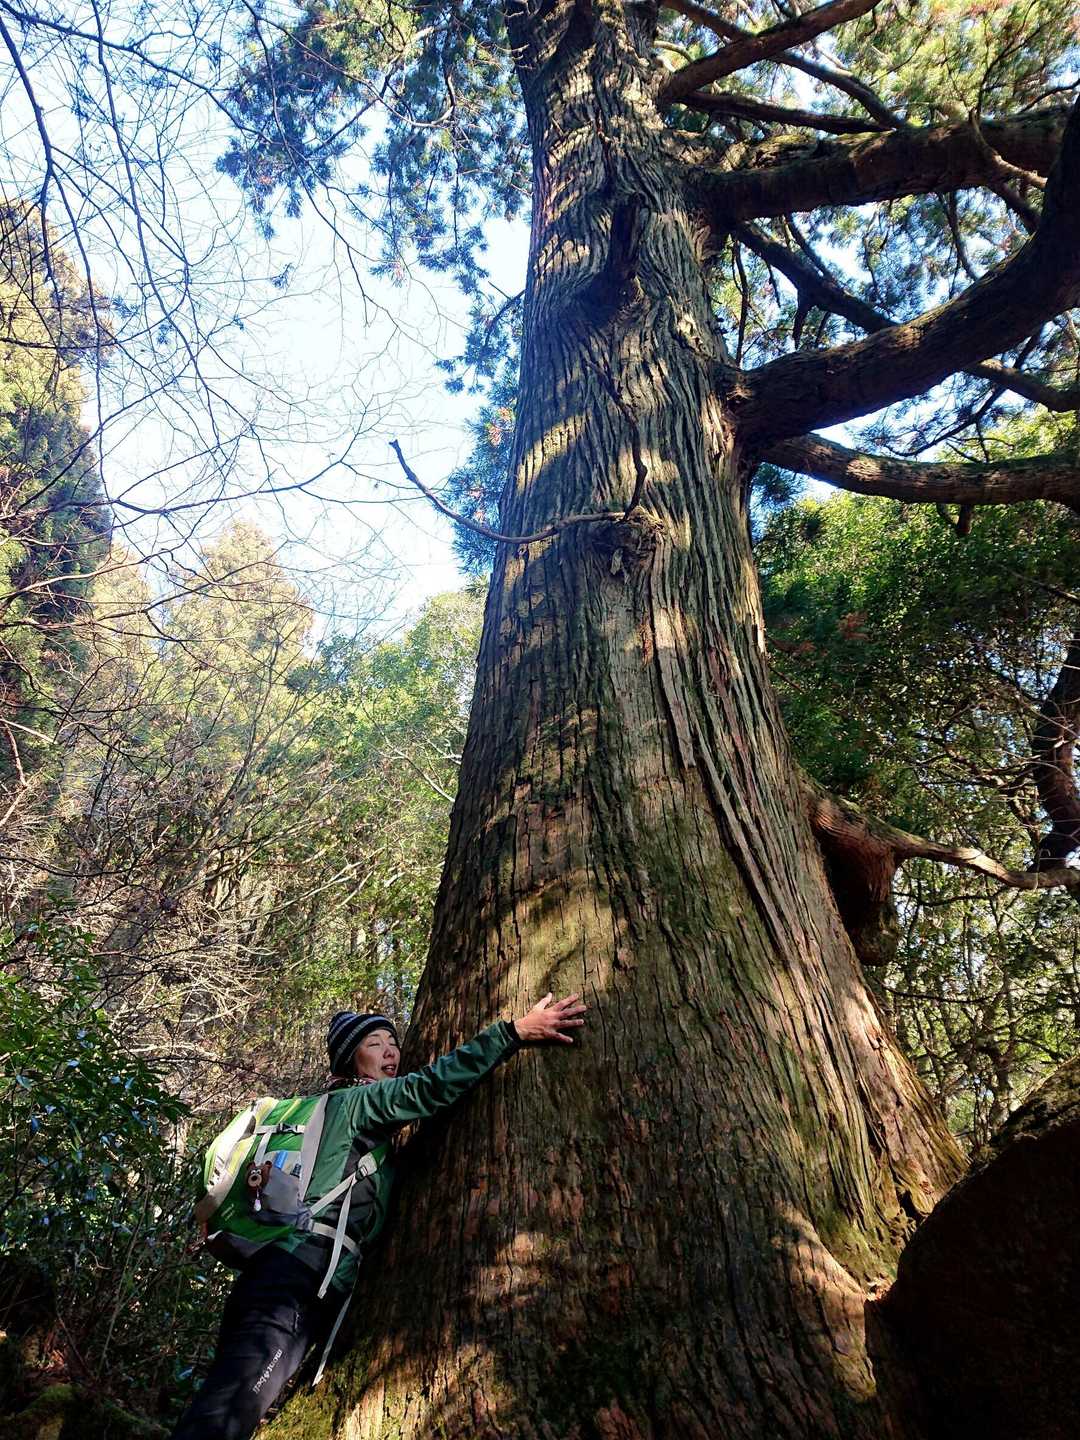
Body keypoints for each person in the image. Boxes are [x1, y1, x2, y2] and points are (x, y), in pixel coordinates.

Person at [170, 992, 587, 1440]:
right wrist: (514, 1032)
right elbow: (429, 1087)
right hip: (295, 1281)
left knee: (228, 1400)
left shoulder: (337, 1117)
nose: (390, 1051)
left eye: (392, 1042)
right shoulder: (356, 1104)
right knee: (230, 1410)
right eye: (374, 1044)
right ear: (351, 1062)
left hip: (277, 1275)